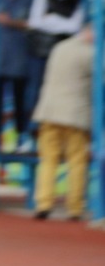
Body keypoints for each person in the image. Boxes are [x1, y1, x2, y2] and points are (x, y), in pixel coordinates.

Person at [31, 25, 94, 221]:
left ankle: (43, 204)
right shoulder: (93, 53)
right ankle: (75, 208)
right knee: (76, 161)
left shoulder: (59, 47)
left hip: (48, 111)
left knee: (48, 160)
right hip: (75, 115)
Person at [25, 0, 84, 150]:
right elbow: (34, 22)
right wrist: (60, 22)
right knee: (35, 92)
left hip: (63, 56)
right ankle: (31, 135)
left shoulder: (78, 0)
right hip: (40, 52)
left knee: (62, 95)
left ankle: (60, 139)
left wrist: (49, 19)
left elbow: (75, 28)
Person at [0, 0, 33, 149]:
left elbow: (35, 23)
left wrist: (11, 23)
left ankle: (21, 138)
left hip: (21, 59)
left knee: (20, 100)